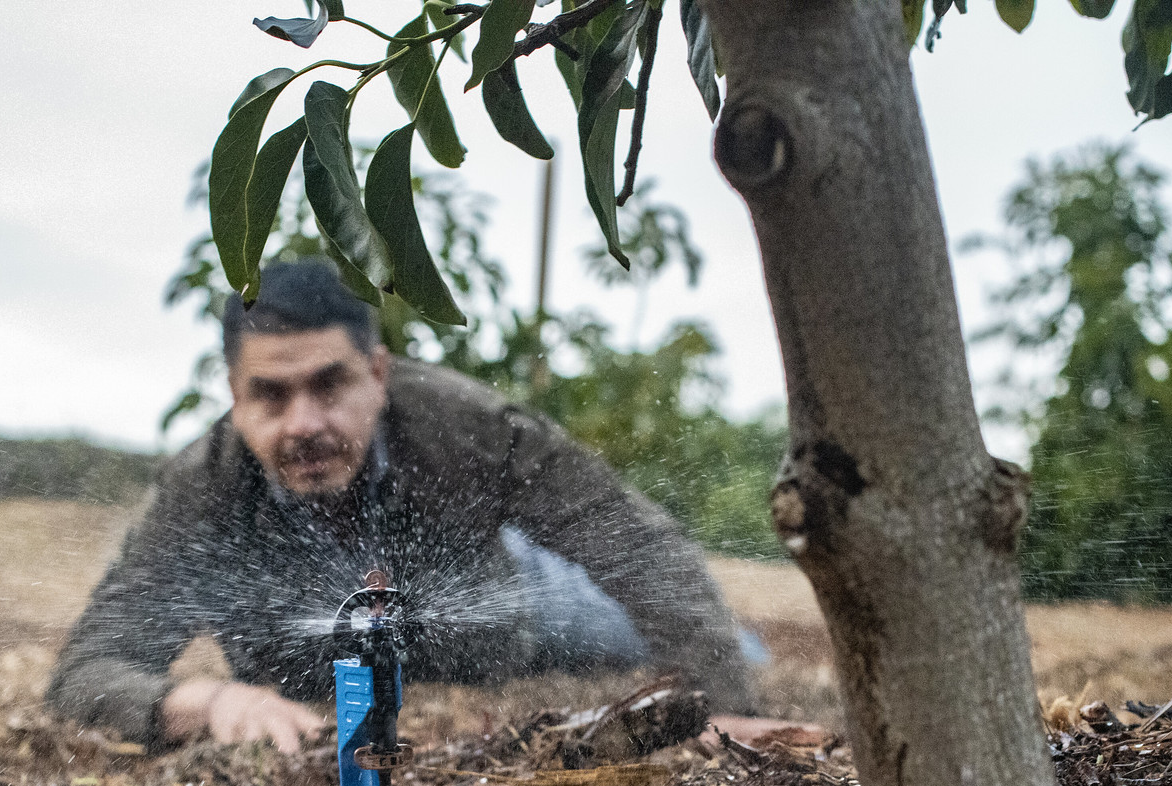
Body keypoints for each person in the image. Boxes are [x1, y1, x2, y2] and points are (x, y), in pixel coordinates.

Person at [50, 261, 797, 754]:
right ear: (234, 398)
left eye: (329, 385)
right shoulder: (201, 490)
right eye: (270, 396)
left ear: (378, 372)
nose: (304, 422)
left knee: (631, 621)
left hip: (517, 618)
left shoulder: (466, 424)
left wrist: (723, 701)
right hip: (321, 677)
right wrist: (206, 702)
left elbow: (633, 546)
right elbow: (89, 667)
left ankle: (747, 642)